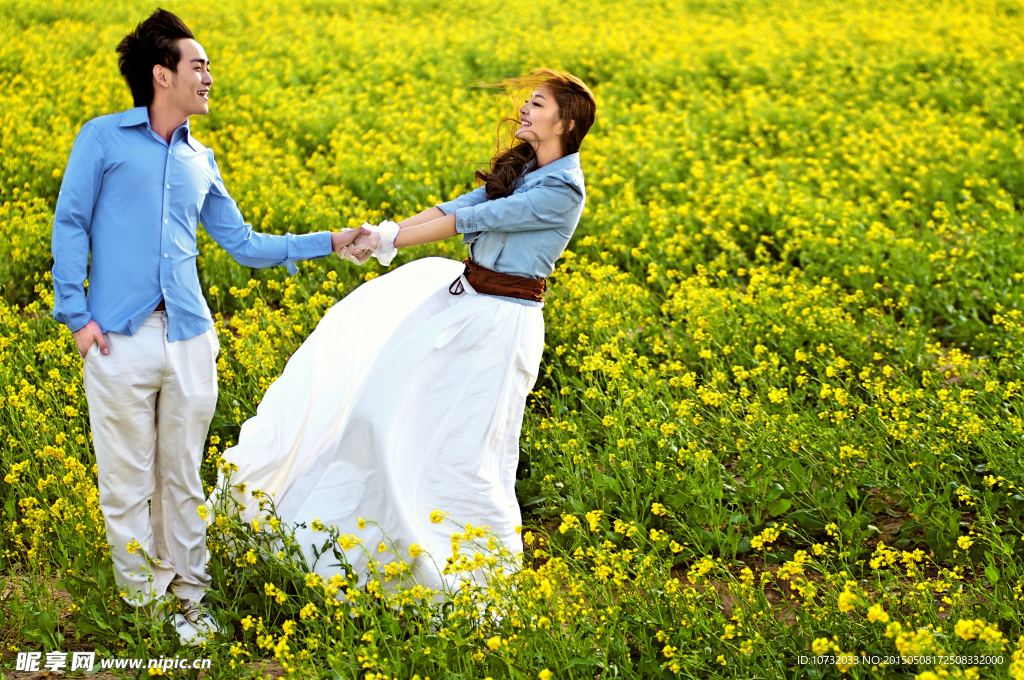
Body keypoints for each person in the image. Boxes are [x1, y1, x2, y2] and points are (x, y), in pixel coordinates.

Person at [49, 8, 368, 646]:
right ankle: (143, 605)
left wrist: (333, 241)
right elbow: (70, 222)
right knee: (125, 480)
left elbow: (244, 244)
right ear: (162, 75)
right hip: (117, 337)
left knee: (183, 475)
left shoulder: (203, 157)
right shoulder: (104, 138)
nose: (209, 76)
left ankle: (188, 600)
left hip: (191, 336)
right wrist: (76, 317)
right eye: (199, 66)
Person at [211, 69, 596, 594]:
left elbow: (473, 222)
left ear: (566, 121)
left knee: (460, 448)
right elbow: (455, 207)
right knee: (379, 414)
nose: (524, 110)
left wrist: (392, 240)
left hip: (501, 324)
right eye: (527, 102)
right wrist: (384, 235)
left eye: (536, 103)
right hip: (466, 304)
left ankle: (441, 566)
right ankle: (348, 541)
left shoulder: (563, 189)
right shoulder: (527, 169)